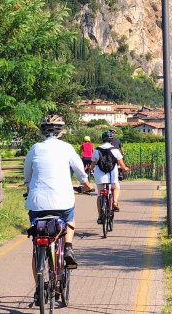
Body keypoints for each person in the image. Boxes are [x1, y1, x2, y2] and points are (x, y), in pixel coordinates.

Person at [24, 114, 94, 268]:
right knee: (69, 219)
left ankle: (39, 279)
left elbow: (27, 176)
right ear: (61, 131)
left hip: (37, 203)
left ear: (42, 131)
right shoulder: (67, 148)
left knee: (36, 244)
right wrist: (87, 185)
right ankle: (68, 247)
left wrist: (29, 188)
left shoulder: (34, 148)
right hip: (63, 202)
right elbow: (80, 171)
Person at [89, 130, 129, 221]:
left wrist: (89, 169)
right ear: (111, 140)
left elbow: (92, 165)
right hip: (112, 176)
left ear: (102, 139)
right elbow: (121, 164)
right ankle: (114, 202)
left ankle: (100, 216)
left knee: (100, 195)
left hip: (100, 177)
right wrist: (125, 168)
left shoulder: (96, 150)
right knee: (116, 187)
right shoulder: (115, 150)